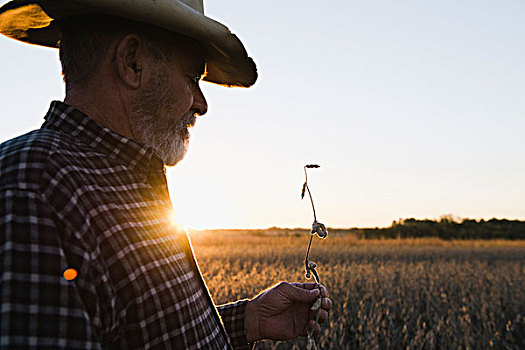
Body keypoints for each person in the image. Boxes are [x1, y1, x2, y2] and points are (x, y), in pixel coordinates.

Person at [0, 0, 332, 349]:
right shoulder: (32, 189)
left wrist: (247, 320)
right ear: (132, 62)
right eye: (192, 78)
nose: (201, 104)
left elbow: (140, 332)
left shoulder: (124, 178)